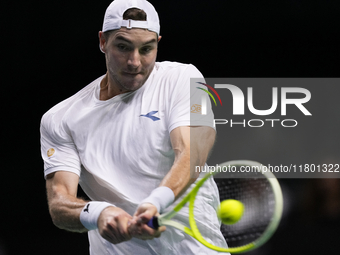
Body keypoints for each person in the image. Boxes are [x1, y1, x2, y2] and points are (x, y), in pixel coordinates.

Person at [40, 0, 228, 254]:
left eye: (146, 49)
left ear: (158, 43)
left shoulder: (184, 78)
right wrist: (98, 213)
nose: (134, 62)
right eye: (123, 47)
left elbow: (192, 154)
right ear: (102, 42)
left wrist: (155, 201)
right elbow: (60, 203)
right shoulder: (60, 118)